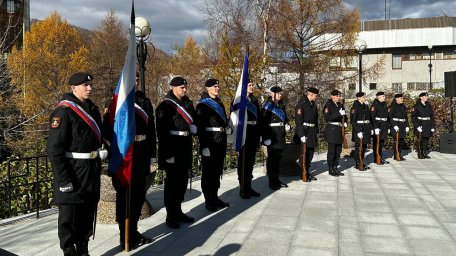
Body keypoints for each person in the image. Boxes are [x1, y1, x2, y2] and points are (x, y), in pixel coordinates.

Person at [47, 72, 106, 256]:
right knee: (69, 219)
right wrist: (64, 181)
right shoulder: (63, 111)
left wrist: (103, 149)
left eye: (90, 85)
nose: (90, 88)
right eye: (85, 85)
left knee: (87, 214)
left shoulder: (93, 109)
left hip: (90, 170)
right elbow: (54, 150)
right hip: (72, 172)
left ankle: (84, 250)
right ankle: (69, 251)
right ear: (73, 88)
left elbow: (97, 136)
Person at [103, 73, 155, 249]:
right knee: (124, 197)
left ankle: (133, 231)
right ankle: (123, 234)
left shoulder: (145, 102)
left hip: (141, 154)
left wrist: (152, 154)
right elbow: (107, 131)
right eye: (132, 80)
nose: (135, 82)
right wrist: (114, 152)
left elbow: (151, 130)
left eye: (137, 80)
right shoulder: (117, 102)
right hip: (124, 156)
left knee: (139, 195)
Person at [155, 77, 197, 228]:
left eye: (185, 87)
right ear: (173, 87)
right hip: (172, 147)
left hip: (185, 146)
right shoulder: (165, 106)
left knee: (182, 182)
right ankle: (170, 215)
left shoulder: (188, 103)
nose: (184, 90)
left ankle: (178, 211)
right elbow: (162, 133)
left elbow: (193, 119)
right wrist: (167, 155)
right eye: (181, 87)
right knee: (172, 184)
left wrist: (194, 127)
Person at [196, 78, 230, 212]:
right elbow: (200, 127)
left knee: (217, 172)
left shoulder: (220, 103)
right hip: (209, 143)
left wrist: (228, 129)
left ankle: (215, 197)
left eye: (218, 86)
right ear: (208, 88)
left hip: (220, 141)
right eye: (215, 86)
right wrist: (204, 146)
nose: (217, 88)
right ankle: (208, 200)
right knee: (208, 173)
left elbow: (223, 121)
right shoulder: (202, 105)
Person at [260, 86, 290, 190]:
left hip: (280, 136)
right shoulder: (267, 106)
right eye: (278, 94)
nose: (280, 95)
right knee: (272, 160)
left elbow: (285, 117)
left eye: (281, 94)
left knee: (278, 160)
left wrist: (287, 124)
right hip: (272, 137)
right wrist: (265, 138)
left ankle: (277, 179)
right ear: (272, 94)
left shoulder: (281, 105)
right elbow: (263, 123)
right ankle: (271, 181)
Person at [237, 80, 261, 199]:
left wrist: (259, 134)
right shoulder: (239, 99)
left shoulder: (254, 100)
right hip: (244, 132)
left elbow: (259, 117)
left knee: (250, 162)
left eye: (253, 85)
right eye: (250, 85)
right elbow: (235, 117)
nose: (252, 87)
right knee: (243, 162)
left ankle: (249, 186)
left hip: (253, 132)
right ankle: (243, 188)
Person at [294, 87, 319, 182]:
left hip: (311, 131)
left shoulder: (312, 104)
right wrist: (301, 135)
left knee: (310, 153)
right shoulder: (301, 104)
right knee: (304, 154)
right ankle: (303, 173)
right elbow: (298, 121)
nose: (316, 97)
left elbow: (315, 119)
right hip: (305, 131)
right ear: (311, 94)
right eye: (315, 95)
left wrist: (316, 131)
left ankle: (307, 172)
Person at [323, 89, 347, 177]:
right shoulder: (328, 105)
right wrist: (338, 114)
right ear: (332, 96)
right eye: (337, 96)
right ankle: (331, 169)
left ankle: (336, 167)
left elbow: (345, 116)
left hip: (339, 130)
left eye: (339, 96)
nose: (338, 97)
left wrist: (345, 122)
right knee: (332, 152)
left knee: (338, 151)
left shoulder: (340, 105)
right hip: (332, 130)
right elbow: (327, 118)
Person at [350, 92, 373, 171]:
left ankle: (361, 161)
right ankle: (358, 163)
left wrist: (371, 128)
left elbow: (369, 118)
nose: (365, 98)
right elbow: (353, 121)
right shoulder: (355, 107)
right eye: (363, 97)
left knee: (364, 147)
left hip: (366, 128)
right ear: (358, 98)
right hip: (359, 129)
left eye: (365, 96)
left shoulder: (365, 106)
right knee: (358, 148)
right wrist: (358, 131)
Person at [411, 92, 435, 159]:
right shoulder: (416, 106)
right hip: (420, 124)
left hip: (427, 124)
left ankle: (424, 153)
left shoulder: (429, 106)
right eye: (424, 96)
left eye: (427, 96)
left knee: (426, 140)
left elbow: (432, 117)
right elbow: (413, 117)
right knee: (420, 140)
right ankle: (420, 153)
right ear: (421, 97)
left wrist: (432, 126)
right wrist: (417, 126)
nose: (426, 97)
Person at [388, 93, 410, 161]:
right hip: (396, 125)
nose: (402, 99)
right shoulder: (392, 106)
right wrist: (394, 125)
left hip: (402, 125)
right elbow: (390, 117)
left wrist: (407, 125)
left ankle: (399, 154)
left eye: (402, 98)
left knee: (401, 141)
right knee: (397, 141)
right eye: (401, 98)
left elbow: (405, 117)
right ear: (397, 99)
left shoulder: (403, 106)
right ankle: (396, 155)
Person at [370, 91, 390, 165]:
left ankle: (380, 157)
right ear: (378, 97)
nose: (384, 97)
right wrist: (375, 128)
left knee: (381, 143)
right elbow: (372, 117)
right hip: (378, 125)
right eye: (383, 96)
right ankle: (377, 158)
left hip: (384, 125)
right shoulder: (374, 105)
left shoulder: (384, 104)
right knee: (377, 143)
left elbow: (387, 117)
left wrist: (387, 127)